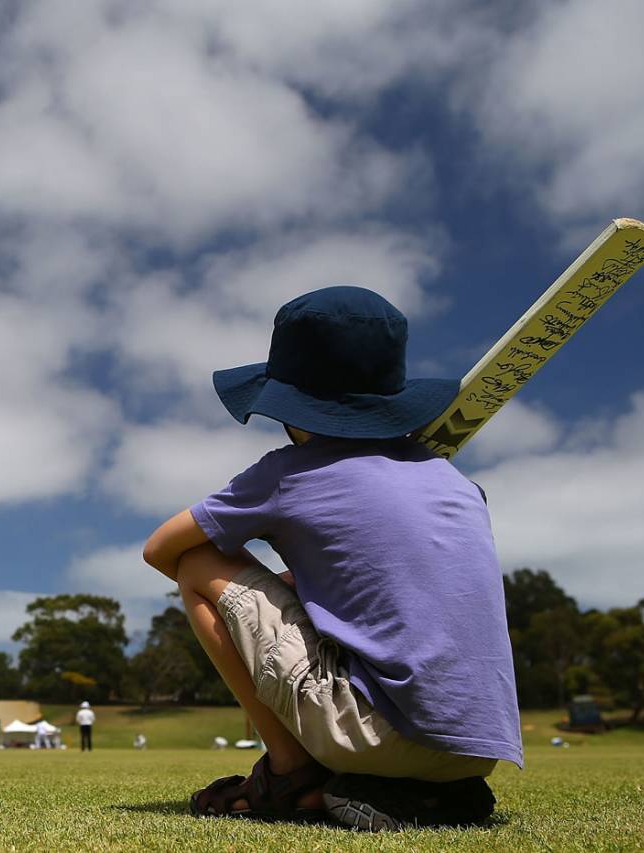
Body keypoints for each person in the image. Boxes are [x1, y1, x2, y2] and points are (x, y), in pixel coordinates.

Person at [142, 287, 521, 830]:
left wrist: (279, 584)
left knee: (199, 563)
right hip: (479, 748)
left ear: (290, 406)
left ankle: (289, 770)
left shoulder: (287, 473)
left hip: (374, 736)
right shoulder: (460, 486)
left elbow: (162, 550)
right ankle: (427, 794)